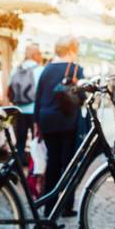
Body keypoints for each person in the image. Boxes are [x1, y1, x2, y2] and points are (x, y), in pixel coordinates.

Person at [34, 36, 84, 217]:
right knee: (69, 164)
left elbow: (38, 98)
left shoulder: (46, 70)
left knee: (52, 163)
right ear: (72, 49)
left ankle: (49, 206)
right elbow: (81, 97)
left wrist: (36, 123)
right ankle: (66, 205)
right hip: (68, 122)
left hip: (47, 121)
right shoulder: (76, 70)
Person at [8, 44, 43, 164]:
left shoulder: (16, 69)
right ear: (35, 55)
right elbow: (41, 91)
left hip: (19, 109)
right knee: (35, 139)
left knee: (20, 140)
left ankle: (19, 164)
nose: (41, 56)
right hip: (34, 109)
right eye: (39, 53)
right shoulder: (39, 70)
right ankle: (34, 164)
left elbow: (9, 88)